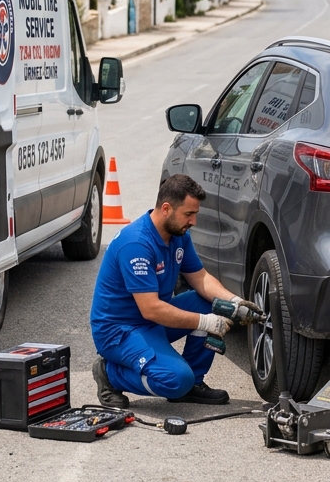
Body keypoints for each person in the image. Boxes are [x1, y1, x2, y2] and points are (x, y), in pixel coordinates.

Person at [90, 173, 261, 407]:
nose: (193, 221)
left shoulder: (178, 235)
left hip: (150, 322)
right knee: (175, 379)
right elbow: (151, 309)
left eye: (195, 214)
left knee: (209, 302)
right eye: (188, 214)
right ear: (167, 209)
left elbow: (200, 278)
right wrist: (205, 323)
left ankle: (193, 383)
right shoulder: (137, 245)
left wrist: (235, 302)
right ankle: (110, 374)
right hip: (120, 331)